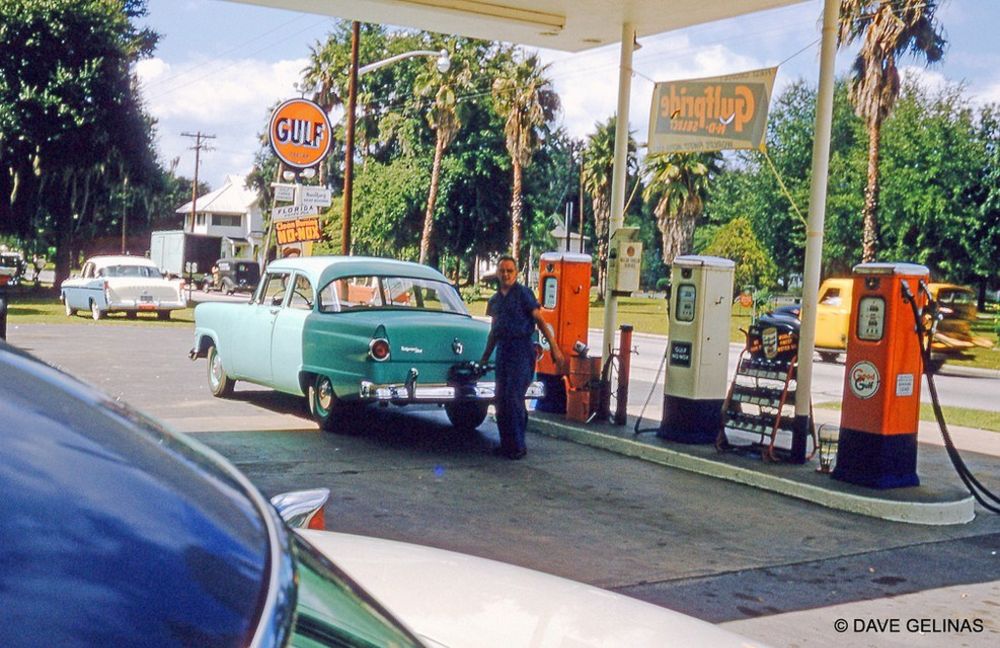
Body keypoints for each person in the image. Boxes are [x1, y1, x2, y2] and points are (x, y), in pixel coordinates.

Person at [479, 255, 565, 460]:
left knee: (514, 398)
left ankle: (518, 446)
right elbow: (494, 331)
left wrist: (554, 348)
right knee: (501, 399)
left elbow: (541, 321)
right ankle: (506, 444)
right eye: (502, 271)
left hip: (521, 350)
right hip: (503, 350)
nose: (506, 274)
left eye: (510, 271)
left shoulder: (523, 294)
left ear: (516, 273)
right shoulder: (495, 300)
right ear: (497, 274)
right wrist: (484, 358)